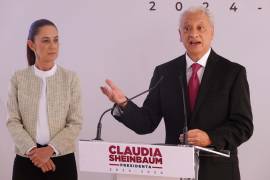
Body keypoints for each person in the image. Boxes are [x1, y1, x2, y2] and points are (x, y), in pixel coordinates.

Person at [101, 6, 253, 180]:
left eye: (200, 28)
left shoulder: (233, 73)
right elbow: (146, 123)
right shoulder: (165, 72)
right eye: (187, 28)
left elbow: (243, 125)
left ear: (212, 32)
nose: (193, 34)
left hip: (219, 172)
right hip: (176, 172)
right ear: (180, 35)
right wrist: (123, 103)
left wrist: (210, 138)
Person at [7, 19, 82, 180]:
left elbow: (75, 123)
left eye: (56, 40)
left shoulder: (70, 79)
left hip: (62, 161)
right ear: (31, 45)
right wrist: (34, 152)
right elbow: (13, 121)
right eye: (46, 40)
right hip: (27, 160)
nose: (53, 46)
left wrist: (50, 150)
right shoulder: (18, 78)